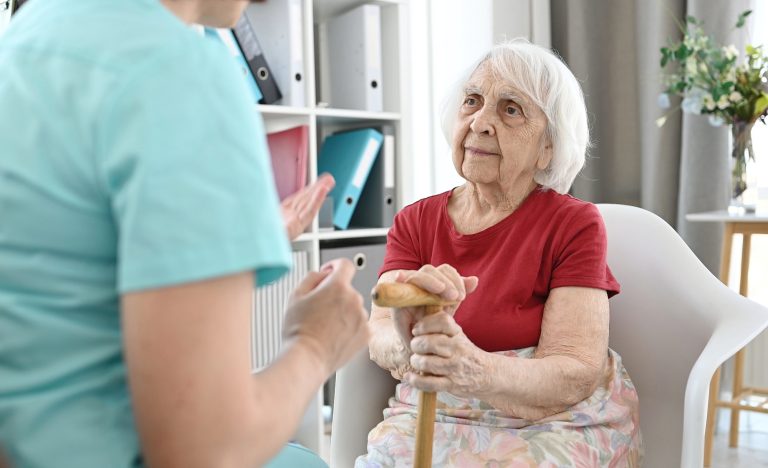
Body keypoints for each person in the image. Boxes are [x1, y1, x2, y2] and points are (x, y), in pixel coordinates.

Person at [0, 0, 369, 467]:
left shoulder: (30, 34)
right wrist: (317, 345)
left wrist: (241, 239)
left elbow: (63, 265)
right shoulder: (180, 74)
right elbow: (204, 453)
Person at [358, 39, 642, 467]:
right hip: (438, 411)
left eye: (511, 109)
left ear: (548, 145)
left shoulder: (573, 224)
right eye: (472, 101)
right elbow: (379, 329)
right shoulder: (415, 221)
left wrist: (473, 368)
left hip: (551, 420)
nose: (480, 122)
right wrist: (412, 342)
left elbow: (574, 369)